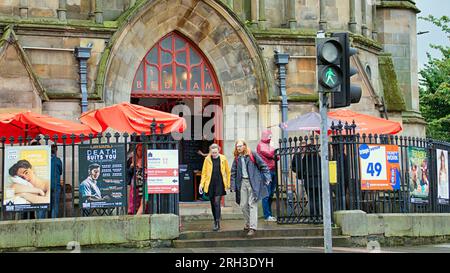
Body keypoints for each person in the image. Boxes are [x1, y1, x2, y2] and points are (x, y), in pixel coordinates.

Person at [230, 140, 271, 236]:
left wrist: (267, 177)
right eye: (237, 146)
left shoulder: (252, 154)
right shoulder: (237, 158)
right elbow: (233, 173)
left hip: (253, 182)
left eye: (240, 146)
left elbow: (263, 166)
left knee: (252, 203)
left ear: (244, 146)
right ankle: (248, 223)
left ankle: (253, 227)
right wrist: (232, 186)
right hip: (242, 182)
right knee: (243, 205)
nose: (238, 148)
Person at [199, 143, 231, 231]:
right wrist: (201, 184)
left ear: (218, 151)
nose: (214, 154)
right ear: (210, 152)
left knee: (217, 202)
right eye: (213, 153)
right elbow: (204, 173)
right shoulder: (207, 159)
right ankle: (215, 219)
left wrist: (228, 184)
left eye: (216, 152)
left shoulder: (223, 158)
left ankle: (217, 222)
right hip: (210, 184)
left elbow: (228, 172)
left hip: (220, 183)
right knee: (213, 203)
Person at [291, 144, 322, 218]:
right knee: (318, 199)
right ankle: (319, 215)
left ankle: (312, 216)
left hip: (309, 181)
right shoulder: (318, 157)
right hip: (319, 180)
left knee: (311, 199)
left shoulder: (306, 157)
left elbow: (301, 168)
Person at [256, 130, 277, 222]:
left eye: (271, 136)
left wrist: (274, 151)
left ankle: (270, 214)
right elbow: (269, 154)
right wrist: (274, 150)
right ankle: (267, 215)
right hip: (265, 171)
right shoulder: (260, 145)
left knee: (271, 193)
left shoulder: (270, 145)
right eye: (269, 135)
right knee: (266, 194)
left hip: (273, 170)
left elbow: (277, 157)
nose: (270, 137)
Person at [128, 143, 146, 215]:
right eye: (139, 150)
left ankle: (140, 213)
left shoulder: (146, 158)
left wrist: (143, 167)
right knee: (134, 198)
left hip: (144, 182)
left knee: (144, 198)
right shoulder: (132, 159)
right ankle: (133, 213)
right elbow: (128, 172)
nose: (140, 152)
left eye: (142, 150)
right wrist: (132, 167)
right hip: (135, 182)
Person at [50, 144, 62, 218]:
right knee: (55, 205)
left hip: (45, 185)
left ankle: (40, 221)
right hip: (55, 185)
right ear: (56, 151)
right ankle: (53, 221)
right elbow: (60, 172)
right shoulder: (57, 160)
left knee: (42, 206)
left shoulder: (44, 159)